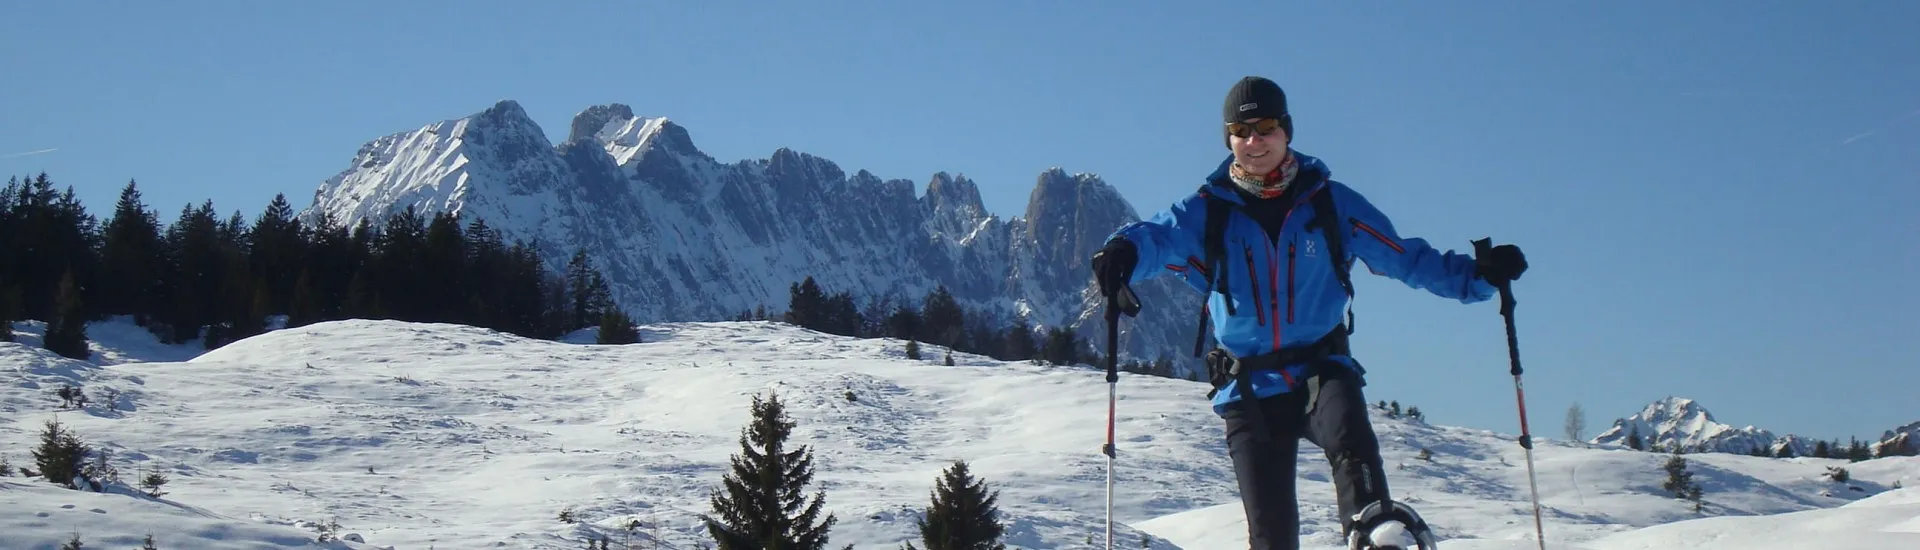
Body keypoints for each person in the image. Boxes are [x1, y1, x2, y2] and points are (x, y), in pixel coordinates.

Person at [1089, 76, 1528, 550]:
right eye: (1241, 131)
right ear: (1228, 138)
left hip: (1321, 369)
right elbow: (1156, 236)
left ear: (1287, 130)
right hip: (1247, 385)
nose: (1254, 141)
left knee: (1351, 443)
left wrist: (1479, 277)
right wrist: (1122, 252)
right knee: (1271, 534)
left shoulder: (1331, 203)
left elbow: (1404, 257)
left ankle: (1379, 537)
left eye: (1266, 127)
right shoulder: (1207, 211)